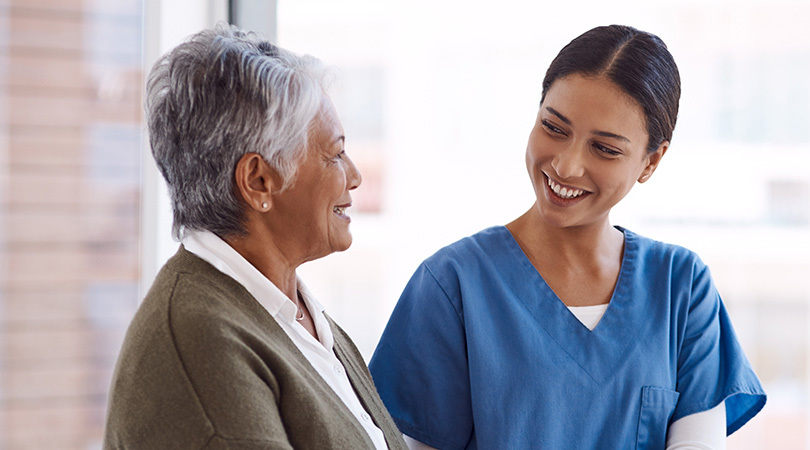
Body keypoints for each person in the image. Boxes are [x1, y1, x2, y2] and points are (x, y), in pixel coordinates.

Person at [368, 25, 766, 449]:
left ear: (651, 161)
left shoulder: (681, 288)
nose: (566, 165)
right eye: (554, 128)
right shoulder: (452, 286)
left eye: (605, 149)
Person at [104, 24, 407, 450]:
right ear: (259, 181)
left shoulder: (293, 313)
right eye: (335, 154)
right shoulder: (202, 348)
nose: (355, 176)